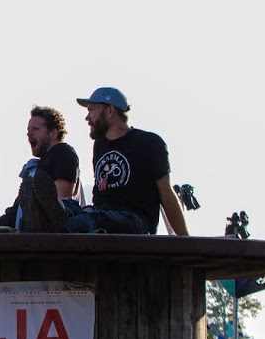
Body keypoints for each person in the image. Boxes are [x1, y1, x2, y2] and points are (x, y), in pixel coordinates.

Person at [66, 87, 189, 235]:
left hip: (137, 222)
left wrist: (186, 240)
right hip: (101, 215)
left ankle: (63, 226)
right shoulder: (100, 145)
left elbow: (166, 194)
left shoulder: (149, 142)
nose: (87, 118)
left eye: (91, 110)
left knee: (94, 219)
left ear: (110, 111)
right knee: (68, 208)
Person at [0, 105, 80, 233]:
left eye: (35, 129)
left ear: (53, 133)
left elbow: (60, 201)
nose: (29, 133)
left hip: (34, 225)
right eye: (28, 129)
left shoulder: (62, 152)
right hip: (13, 220)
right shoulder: (38, 164)